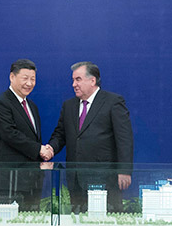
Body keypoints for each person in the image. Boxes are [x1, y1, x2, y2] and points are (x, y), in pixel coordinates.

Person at [44, 61, 133, 212]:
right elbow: (61, 134)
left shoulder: (113, 102)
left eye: (78, 79)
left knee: (105, 221)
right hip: (75, 179)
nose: (73, 84)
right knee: (78, 221)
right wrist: (50, 148)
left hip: (104, 178)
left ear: (92, 80)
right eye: (73, 80)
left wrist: (124, 170)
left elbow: (124, 138)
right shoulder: (69, 105)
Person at [0, 59, 52, 211]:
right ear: (12, 77)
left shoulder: (32, 106)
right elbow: (10, 134)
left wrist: (43, 155)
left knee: (31, 223)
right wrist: (39, 149)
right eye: (25, 78)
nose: (29, 83)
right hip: (9, 183)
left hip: (32, 182)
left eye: (33, 79)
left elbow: (34, 138)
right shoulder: (1, 103)